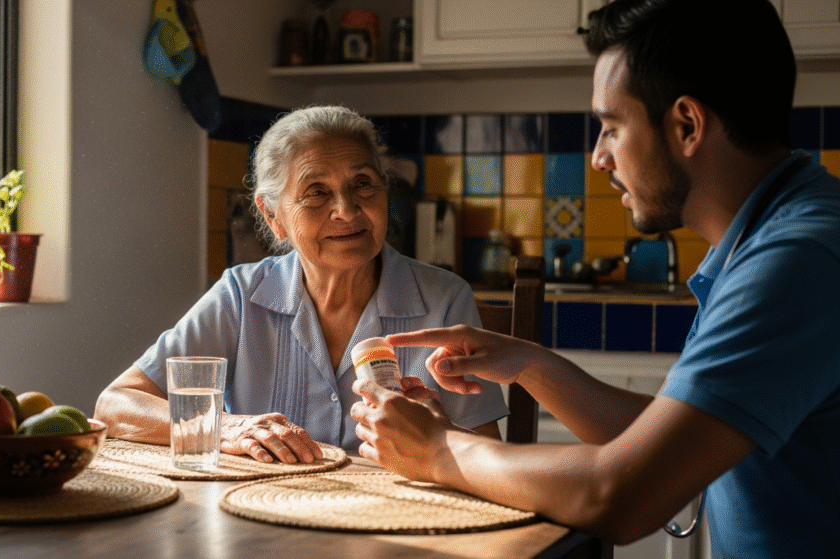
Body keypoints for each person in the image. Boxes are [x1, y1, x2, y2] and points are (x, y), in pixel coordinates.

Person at [350, 1, 840, 556]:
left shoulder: (798, 260)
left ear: (686, 125)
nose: (598, 158)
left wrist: (440, 451)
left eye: (610, 128)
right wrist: (530, 364)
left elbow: (621, 494)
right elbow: (672, 437)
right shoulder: (775, 236)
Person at [95, 105, 506, 464]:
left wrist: (440, 437)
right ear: (273, 216)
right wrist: (227, 428)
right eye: (316, 192)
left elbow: (489, 457)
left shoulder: (445, 300)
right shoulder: (241, 296)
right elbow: (115, 405)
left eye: (362, 183)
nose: (346, 210)